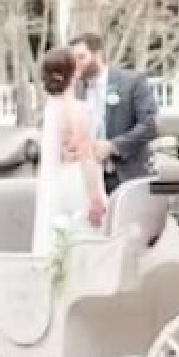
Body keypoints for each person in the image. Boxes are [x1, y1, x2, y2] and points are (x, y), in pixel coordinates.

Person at [31, 46, 109, 256]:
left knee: (62, 240)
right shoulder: (77, 109)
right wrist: (95, 197)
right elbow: (85, 156)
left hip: (58, 180)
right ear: (72, 71)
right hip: (77, 180)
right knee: (85, 239)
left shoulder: (51, 108)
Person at [68, 31, 159, 196]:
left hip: (126, 176)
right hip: (87, 180)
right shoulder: (74, 91)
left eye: (81, 57)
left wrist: (113, 146)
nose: (76, 64)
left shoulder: (131, 82)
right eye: (72, 60)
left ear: (98, 55)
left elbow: (150, 125)